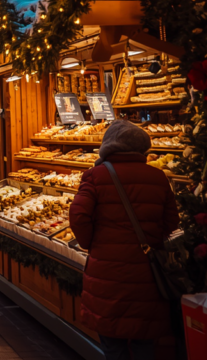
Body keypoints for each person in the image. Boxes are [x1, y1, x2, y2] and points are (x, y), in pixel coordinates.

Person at [69, 119, 179, 360]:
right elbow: (172, 221)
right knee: (144, 342)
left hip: (106, 272)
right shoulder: (158, 176)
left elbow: (78, 215)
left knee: (113, 344)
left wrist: (91, 243)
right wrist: (152, 240)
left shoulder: (95, 176)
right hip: (146, 272)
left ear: (109, 145)